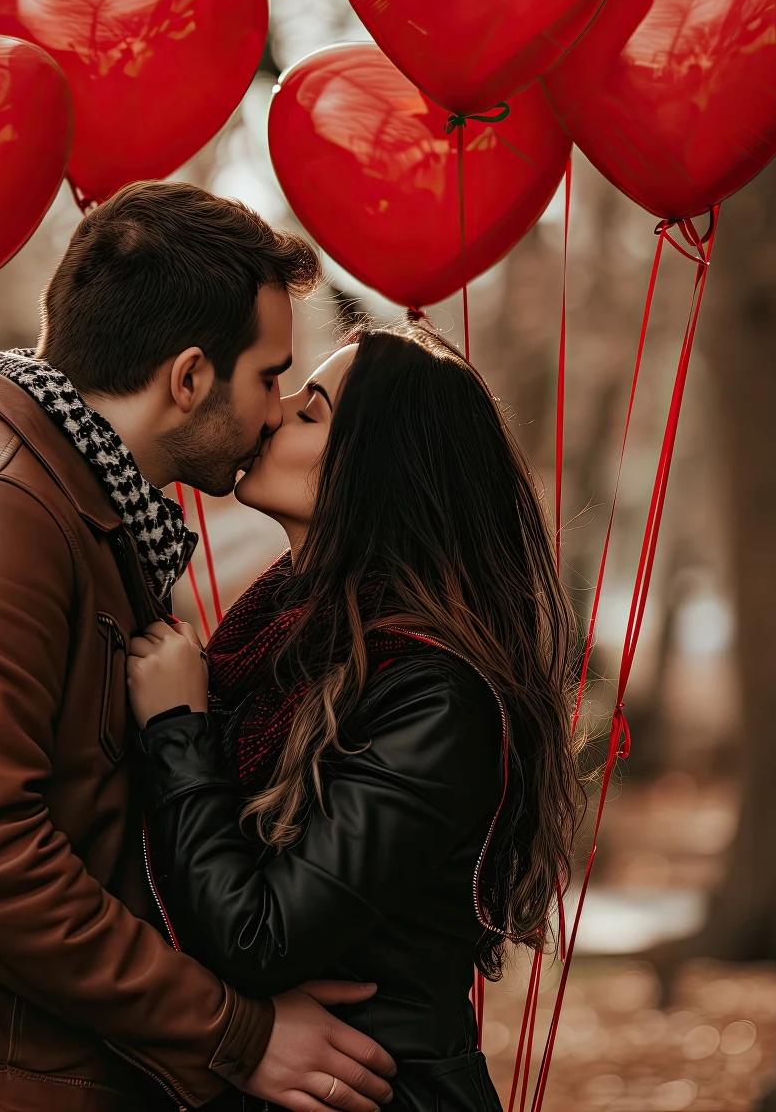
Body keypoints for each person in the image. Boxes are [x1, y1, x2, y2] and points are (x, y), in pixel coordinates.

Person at [0, 182, 398, 1112]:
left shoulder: (81, 514)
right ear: (189, 377)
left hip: (13, 1073)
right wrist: (236, 1032)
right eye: (269, 376)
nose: (276, 411)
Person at [126, 326, 583, 1112]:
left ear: (378, 469)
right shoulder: (280, 643)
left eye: (311, 413)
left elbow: (259, 936)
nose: (272, 416)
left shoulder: (435, 699)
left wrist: (177, 730)